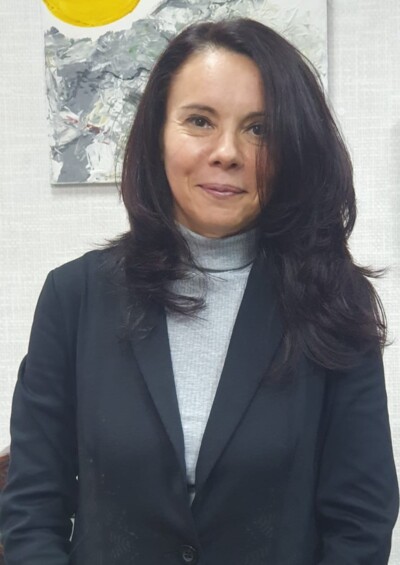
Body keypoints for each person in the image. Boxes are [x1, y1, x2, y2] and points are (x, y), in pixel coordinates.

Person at [0, 18, 398, 565]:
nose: (227, 152)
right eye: (199, 121)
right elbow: (32, 506)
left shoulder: (335, 300)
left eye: (260, 129)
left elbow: (360, 522)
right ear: (156, 135)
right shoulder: (75, 297)